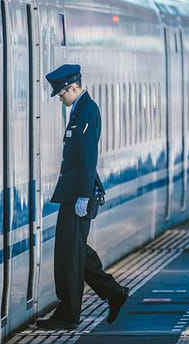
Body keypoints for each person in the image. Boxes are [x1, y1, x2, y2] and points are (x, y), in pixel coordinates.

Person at [36, 64, 129, 330]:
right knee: (74, 251)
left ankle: (68, 314)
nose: (61, 99)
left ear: (73, 87)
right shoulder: (79, 110)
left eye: (62, 93)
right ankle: (114, 293)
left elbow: (88, 159)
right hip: (72, 193)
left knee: (70, 254)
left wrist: (83, 197)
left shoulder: (87, 111)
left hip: (78, 195)